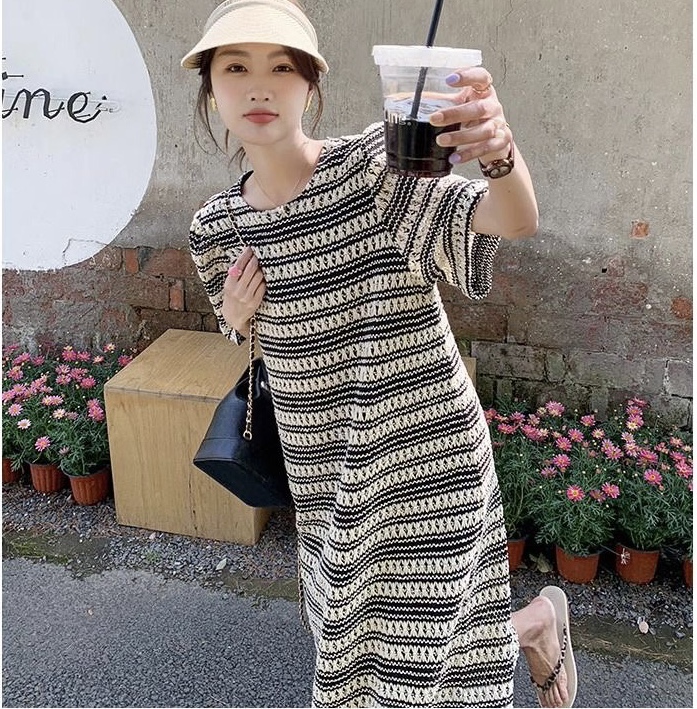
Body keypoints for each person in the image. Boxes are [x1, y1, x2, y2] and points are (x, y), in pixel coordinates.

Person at [182, 1, 577, 707]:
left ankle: (534, 627)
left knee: (419, 665)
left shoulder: (374, 170)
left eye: (282, 68)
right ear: (210, 89)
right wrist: (236, 319)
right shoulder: (214, 228)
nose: (259, 86)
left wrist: (498, 151)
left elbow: (513, 220)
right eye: (235, 68)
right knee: (363, 653)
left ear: (311, 86)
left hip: (428, 458)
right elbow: (252, 338)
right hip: (324, 475)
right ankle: (536, 623)